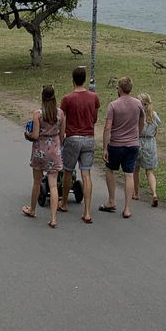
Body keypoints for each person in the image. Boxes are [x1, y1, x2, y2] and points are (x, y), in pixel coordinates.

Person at [59, 66, 100, 223]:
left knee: (68, 171)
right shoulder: (93, 97)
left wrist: (61, 137)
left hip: (73, 138)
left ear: (73, 79)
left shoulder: (67, 99)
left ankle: (63, 202)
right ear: (84, 79)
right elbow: (95, 118)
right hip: (88, 138)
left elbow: (62, 119)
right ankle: (87, 211)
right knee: (86, 174)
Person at [100, 76, 144, 219]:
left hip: (117, 144)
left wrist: (105, 147)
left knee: (110, 169)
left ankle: (112, 200)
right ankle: (127, 208)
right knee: (129, 174)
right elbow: (141, 121)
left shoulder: (113, 105)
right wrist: (138, 134)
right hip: (133, 144)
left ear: (119, 89)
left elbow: (107, 127)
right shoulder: (138, 104)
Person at [22, 85, 65, 228]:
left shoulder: (38, 114)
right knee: (53, 185)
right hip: (54, 149)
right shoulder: (60, 113)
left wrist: (27, 135)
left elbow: (35, 135)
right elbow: (62, 134)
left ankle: (32, 209)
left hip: (40, 150)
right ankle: (53, 218)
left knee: (37, 181)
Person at [133, 92, 161, 207]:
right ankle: (154, 193)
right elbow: (156, 129)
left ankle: (136, 192)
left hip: (138, 142)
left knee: (136, 169)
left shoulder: (137, 115)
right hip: (150, 142)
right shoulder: (154, 115)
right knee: (149, 171)